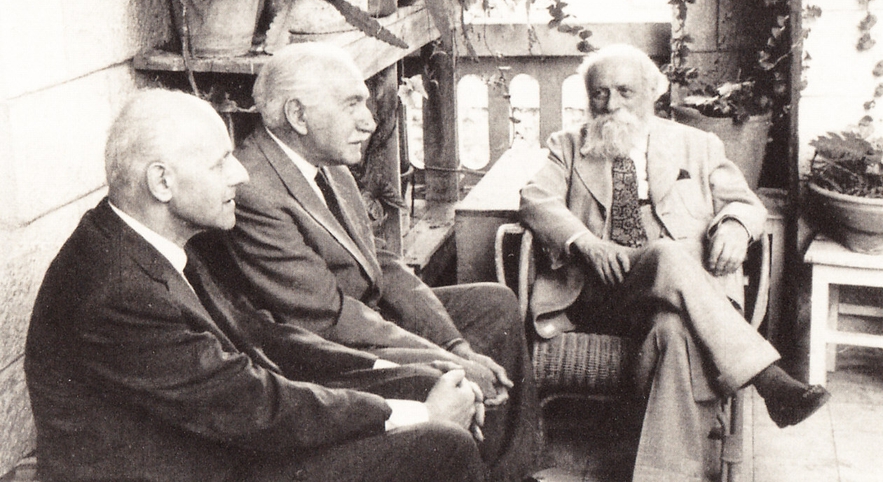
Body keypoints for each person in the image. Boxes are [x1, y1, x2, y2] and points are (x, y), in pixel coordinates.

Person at [25, 90, 488, 482]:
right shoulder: (116, 289)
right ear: (162, 182)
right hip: (199, 466)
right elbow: (251, 405)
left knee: (426, 382)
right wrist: (421, 415)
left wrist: (387, 367)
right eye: (220, 162)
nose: (241, 174)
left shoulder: (159, 239)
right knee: (439, 443)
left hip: (222, 441)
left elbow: (262, 334)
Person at [218, 42, 540, 482]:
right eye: (352, 104)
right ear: (297, 115)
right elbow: (326, 318)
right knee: (445, 374)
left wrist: (454, 345)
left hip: (366, 318)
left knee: (494, 304)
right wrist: (446, 359)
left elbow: (382, 264)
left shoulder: (328, 164)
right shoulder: (255, 191)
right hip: (330, 350)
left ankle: (505, 472)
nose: (369, 122)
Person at [518, 44, 831, 482]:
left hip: (679, 304)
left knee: (674, 333)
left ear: (653, 92)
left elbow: (745, 204)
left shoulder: (698, 145)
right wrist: (585, 242)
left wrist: (735, 227)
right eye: (600, 94)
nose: (612, 104)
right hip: (601, 292)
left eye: (625, 91)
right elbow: (534, 200)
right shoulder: (568, 147)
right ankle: (766, 376)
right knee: (668, 253)